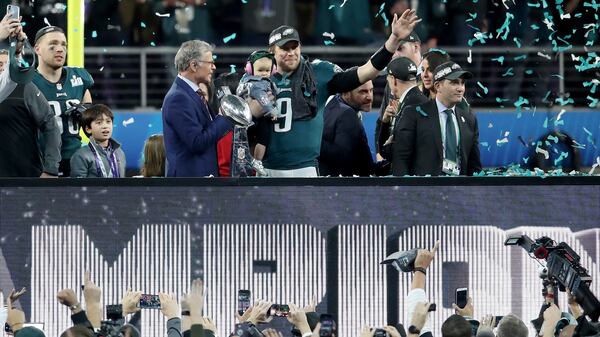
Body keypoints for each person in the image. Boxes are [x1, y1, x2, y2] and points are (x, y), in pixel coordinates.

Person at [259, 10, 420, 177]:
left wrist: (393, 40)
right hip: (270, 166)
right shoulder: (259, 80)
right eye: (284, 48)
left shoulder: (317, 73)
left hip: (305, 167)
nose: (291, 52)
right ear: (272, 51)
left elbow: (366, 72)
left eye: (294, 47)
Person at [392, 61, 482, 176]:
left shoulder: (470, 119)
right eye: (454, 83)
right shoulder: (414, 114)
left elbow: (474, 165)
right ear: (438, 86)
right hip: (424, 190)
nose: (460, 88)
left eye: (462, 83)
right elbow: (401, 158)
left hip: (459, 189)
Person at [162, 40, 233, 177]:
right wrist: (225, 117)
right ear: (194, 65)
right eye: (210, 62)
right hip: (189, 184)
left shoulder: (191, 94)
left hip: (198, 182)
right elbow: (197, 142)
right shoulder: (178, 98)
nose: (213, 67)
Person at [32, 26, 94, 177]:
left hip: (75, 160)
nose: (60, 49)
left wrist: (87, 114)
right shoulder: (28, 81)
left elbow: (92, 119)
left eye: (63, 45)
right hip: (40, 161)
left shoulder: (79, 78)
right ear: (38, 49)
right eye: (53, 44)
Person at [0, 47, 61, 177]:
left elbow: (50, 125)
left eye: (7, 65)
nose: (4, 69)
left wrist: (51, 168)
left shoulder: (25, 87)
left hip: (24, 176)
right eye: (0, 64)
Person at [375, 32, 422, 160]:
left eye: (400, 48)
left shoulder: (430, 77)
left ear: (416, 47)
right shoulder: (392, 80)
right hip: (395, 157)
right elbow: (382, 120)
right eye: (393, 50)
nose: (395, 54)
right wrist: (380, 154)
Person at [319, 81, 376, 177]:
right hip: (341, 187)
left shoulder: (332, 104)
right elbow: (346, 160)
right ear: (345, 93)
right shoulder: (347, 114)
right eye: (363, 92)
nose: (370, 97)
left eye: (371, 90)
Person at [377, 57, 428, 162]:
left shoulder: (409, 107)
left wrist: (387, 148)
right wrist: (385, 121)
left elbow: (397, 153)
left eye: (388, 80)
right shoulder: (419, 101)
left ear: (394, 80)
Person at [236, 50, 278, 162]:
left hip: (245, 120)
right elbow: (263, 99)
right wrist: (272, 111)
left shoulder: (244, 80)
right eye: (260, 70)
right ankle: (258, 161)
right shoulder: (259, 84)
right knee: (264, 138)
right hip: (260, 118)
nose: (264, 73)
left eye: (267, 70)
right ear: (250, 69)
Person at [70, 104, 126, 178]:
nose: (105, 126)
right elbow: (78, 187)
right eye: (99, 122)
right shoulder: (80, 155)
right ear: (88, 129)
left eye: (108, 121)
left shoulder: (119, 153)